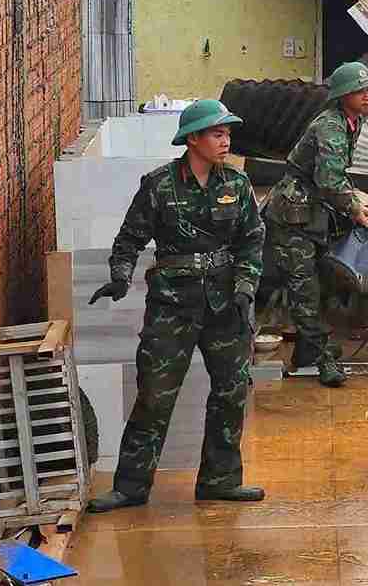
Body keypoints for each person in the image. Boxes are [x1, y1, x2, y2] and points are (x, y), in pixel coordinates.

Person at [87, 99, 265, 512]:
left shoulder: (236, 186)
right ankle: (130, 488)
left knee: (231, 392)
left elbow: (252, 240)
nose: (226, 141)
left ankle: (220, 481)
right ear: (193, 139)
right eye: (217, 134)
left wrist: (244, 287)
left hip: (225, 306)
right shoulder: (159, 186)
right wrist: (120, 276)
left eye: (227, 134)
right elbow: (130, 238)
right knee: (155, 394)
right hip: (172, 305)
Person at [258, 61, 368, 388]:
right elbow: (329, 179)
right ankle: (322, 356)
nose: (367, 96)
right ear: (343, 96)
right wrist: (355, 207)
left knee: (320, 284)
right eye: (359, 91)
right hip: (293, 216)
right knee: (304, 289)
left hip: (315, 212)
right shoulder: (331, 126)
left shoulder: (351, 121)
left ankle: (307, 351)